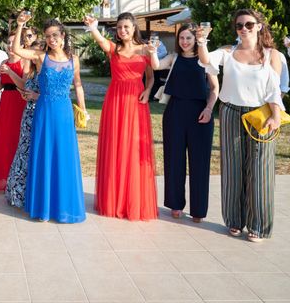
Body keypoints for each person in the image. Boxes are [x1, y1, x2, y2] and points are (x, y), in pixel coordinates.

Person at [197, 9, 284, 241]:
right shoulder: (228, 51)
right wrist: (201, 40)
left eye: (248, 24)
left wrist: (275, 116)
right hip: (231, 113)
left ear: (258, 26)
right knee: (232, 168)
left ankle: (259, 226)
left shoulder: (271, 55)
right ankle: (234, 220)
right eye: (239, 25)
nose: (243, 29)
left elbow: (274, 89)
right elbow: (205, 60)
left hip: (261, 115)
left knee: (260, 170)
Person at [12, 15, 87, 223]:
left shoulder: (74, 60)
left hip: (64, 113)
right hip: (44, 112)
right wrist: (19, 25)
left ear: (62, 36)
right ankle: (43, 208)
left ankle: (62, 207)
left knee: (63, 157)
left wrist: (83, 109)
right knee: (44, 156)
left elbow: (78, 86)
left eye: (55, 35)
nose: (51, 39)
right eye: (48, 36)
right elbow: (17, 50)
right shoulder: (40, 57)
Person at [84, 12, 158, 221]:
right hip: (115, 102)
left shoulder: (145, 49)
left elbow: (152, 77)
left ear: (134, 28)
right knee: (116, 148)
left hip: (136, 102)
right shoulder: (114, 49)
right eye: (119, 27)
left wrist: (148, 90)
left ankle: (132, 201)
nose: (122, 30)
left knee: (133, 149)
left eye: (126, 27)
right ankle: (114, 199)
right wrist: (93, 27)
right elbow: (99, 39)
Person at [149, 24, 219, 222]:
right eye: (182, 38)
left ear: (196, 39)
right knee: (174, 159)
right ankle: (175, 204)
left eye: (189, 38)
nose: (185, 42)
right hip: (175, 112)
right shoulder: (174, 57)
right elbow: (156, 66)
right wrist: (153, 52)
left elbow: (215, 88)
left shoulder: (205, 59)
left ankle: (198, 210)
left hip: (201, 115)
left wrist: (208, 109)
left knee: (200, 163)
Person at [0, 32, 27, 191]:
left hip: (20, 100)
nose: (10, 46)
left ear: (21, 45)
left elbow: (24, 85)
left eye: (13, 43)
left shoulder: (25, 61)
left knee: (18, 137)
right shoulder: (4, 61)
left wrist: (10, 72)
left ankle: (19, 177)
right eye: (8, 43)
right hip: (6, 102)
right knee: (4, 138)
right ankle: (4, 176)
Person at [5, 41, 41, 208]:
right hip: (28, 115)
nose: (33, 56)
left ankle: (36, 195)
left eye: (36, 52)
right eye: (31, 52)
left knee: (37, 153)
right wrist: (26, 94)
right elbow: (23, 85)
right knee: (23, 151)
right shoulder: (32, 71)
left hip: (42, 116)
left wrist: (36, 96)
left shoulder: (49, 71)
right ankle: (17, 194)